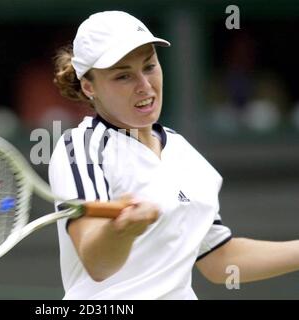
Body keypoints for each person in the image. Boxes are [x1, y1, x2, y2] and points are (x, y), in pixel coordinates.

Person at [48, 11, 299, 300]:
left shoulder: (183, 152)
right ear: (89, 86)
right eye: (123, 75)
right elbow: (98, 264)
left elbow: (219, 261)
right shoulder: (81, 148)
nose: (144, 85)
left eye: (150, 66)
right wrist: (125, 231)